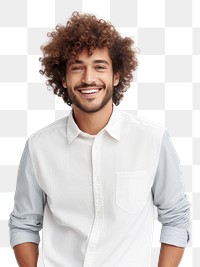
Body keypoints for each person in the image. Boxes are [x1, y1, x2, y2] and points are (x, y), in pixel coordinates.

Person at [9, 11, 190, 267]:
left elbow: (176, 217)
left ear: (116, 76)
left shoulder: (152, 140)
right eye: (77, 67)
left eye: (99, 66)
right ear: (63, 78)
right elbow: (23, 223)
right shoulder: (39, 147)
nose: (88, 78)